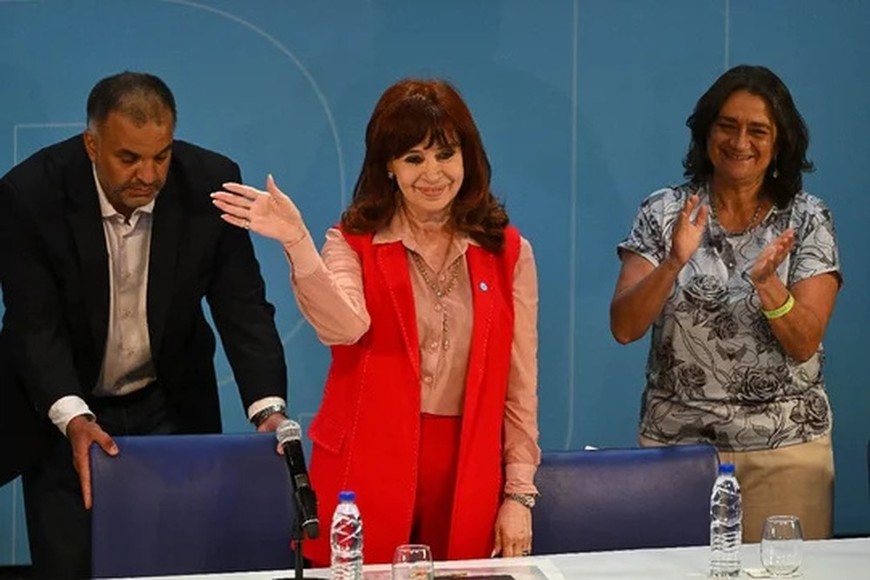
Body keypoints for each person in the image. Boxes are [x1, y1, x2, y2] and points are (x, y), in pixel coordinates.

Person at [211, 78, 541, 564]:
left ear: (467, 158)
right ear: (389, 166)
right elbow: (344, 328)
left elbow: (520, 387)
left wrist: (518, 494)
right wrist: (297, 242)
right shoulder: (352, 240)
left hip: (466, 469)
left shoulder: (508, 252)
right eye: (414, 158)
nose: (433, 173)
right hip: (363, 466)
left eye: (445, 154)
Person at [0, 71, 289, 578]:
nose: (148, 175)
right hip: (64, 410)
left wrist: (268, 409)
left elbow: (242, 306)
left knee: (179, 562)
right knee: (69, 565)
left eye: (161, 155)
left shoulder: (208, 184)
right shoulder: (30, 194)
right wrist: (73, 417)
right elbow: (33, 324)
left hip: (168, 405)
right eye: (129, 158)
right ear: (92, 145)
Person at [610, 65, 841, 542]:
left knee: (784, 573)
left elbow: (804, 343)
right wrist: (673, 262)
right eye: (727, 126)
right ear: (706, 132)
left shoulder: (807, 217)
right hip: (677, 448)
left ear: (779, 143)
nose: (740, 142)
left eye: (758, 131)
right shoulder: (664, 211)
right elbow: (625, 327)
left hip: (785, 450)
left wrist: (769, 286)